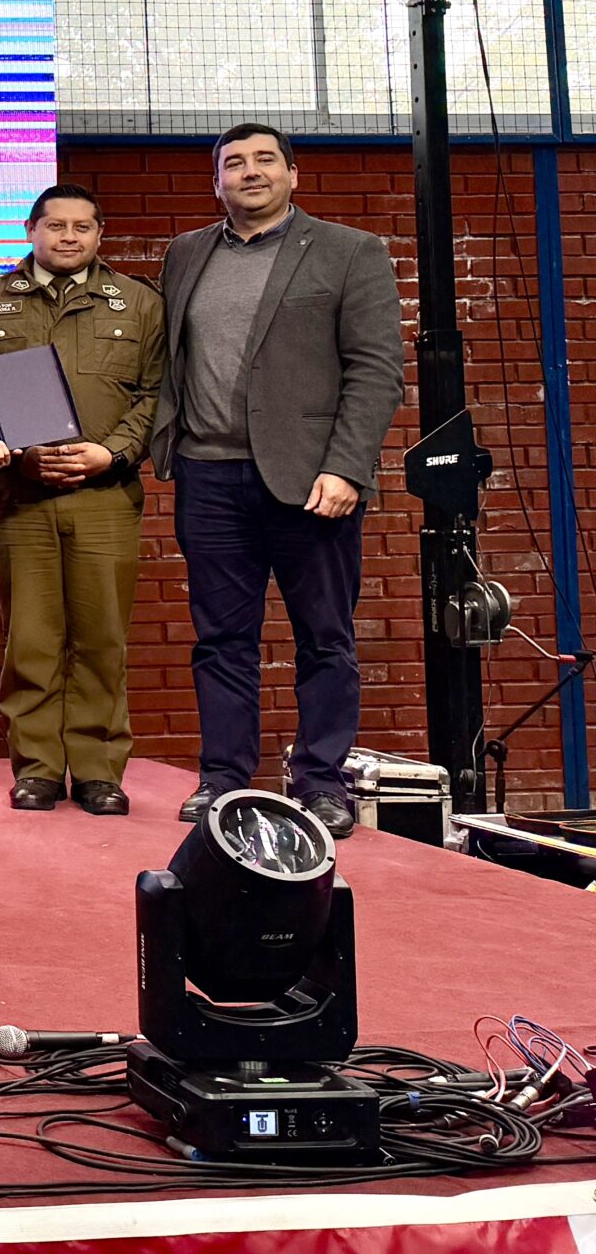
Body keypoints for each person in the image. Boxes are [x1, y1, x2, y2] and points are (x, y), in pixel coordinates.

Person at [151, 124, 402, 838]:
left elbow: (376, 370)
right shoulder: (186, 253)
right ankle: (223, 780)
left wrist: (347, 466)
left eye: (265, 160)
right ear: (217, 182)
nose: (250, 172)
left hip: (312, 482)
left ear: (294, 174)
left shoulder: (350, 251)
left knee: (325, 639)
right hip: (208, 476)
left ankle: (321, 782)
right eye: (234, 163)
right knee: (220, 641)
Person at [0, 185, 165, 817]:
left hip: (105, 495)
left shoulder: (139, 303)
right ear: (31, 229)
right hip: (19, 498)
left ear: (100, 234)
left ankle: (99, 771)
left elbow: (156, 394)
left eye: (82, 227)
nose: (68, 237)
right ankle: (38, 768)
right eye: (55, 225)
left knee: (101, 640)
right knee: (31, 640)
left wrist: (113, 452)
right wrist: (11, 453)